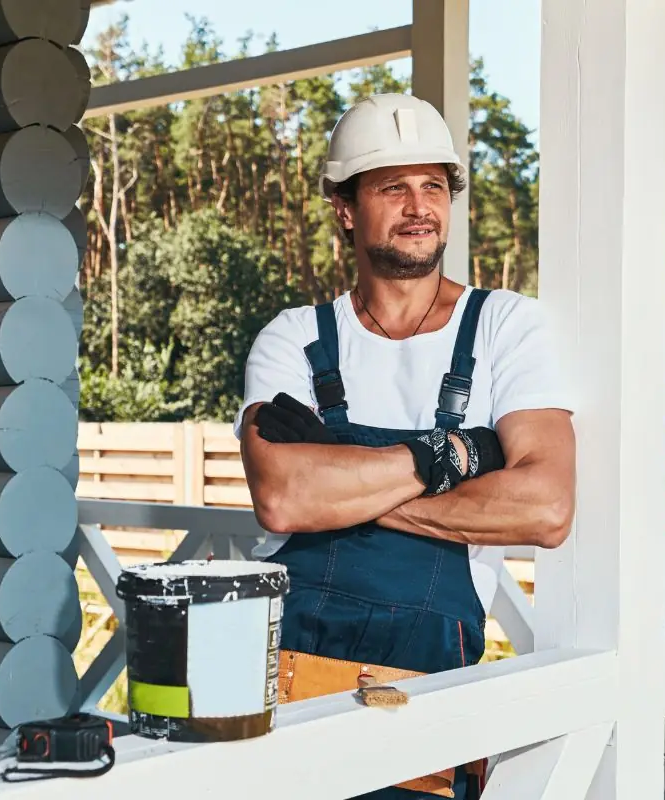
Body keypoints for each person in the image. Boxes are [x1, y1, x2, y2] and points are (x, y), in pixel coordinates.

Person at [234, 93, 576, 799]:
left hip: (431, 706)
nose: (420, 206)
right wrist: (444, 458)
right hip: (281, 698)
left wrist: (344, 476)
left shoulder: (506, 328)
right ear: (345, 207)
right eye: (394, 187)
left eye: (434, 186)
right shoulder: (292, 336)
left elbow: (544, 507)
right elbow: (283, 497)